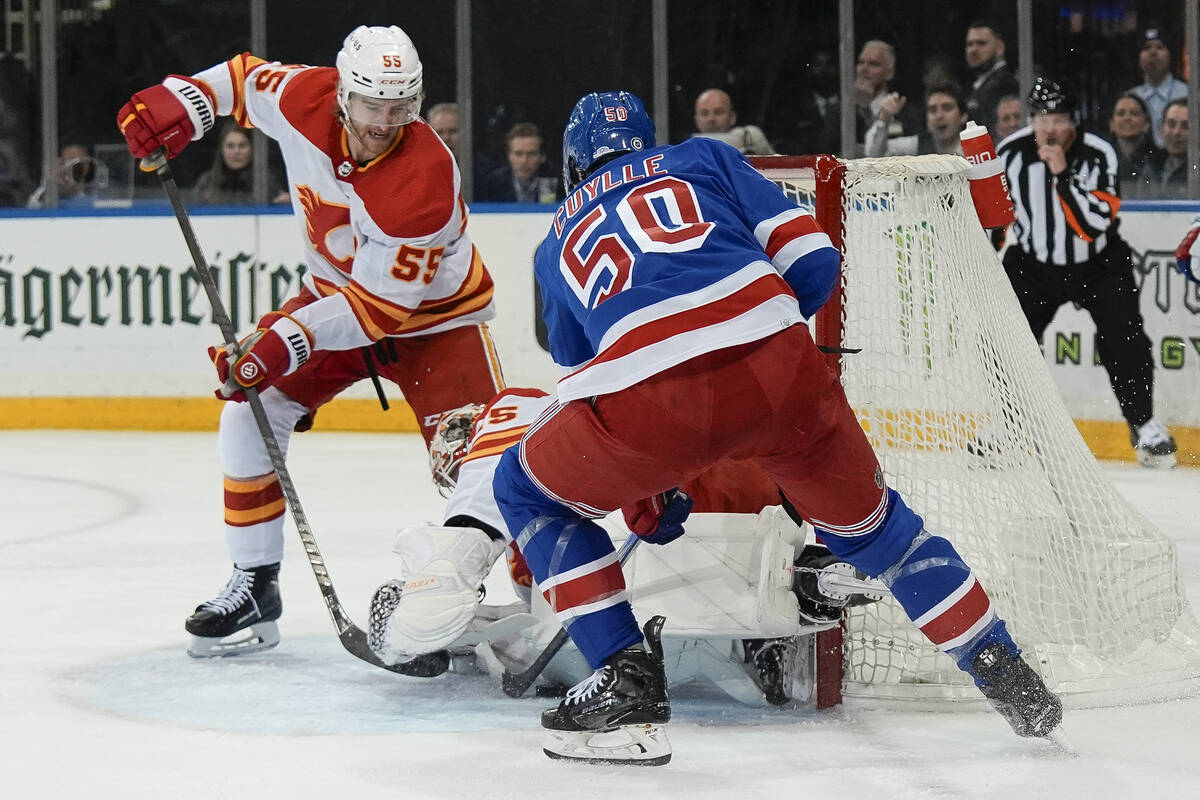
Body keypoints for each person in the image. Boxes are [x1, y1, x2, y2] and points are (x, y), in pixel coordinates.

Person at [490, 90, 1063, 765]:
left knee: (524, 491)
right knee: (886, 537)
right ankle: (1002, 666)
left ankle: (623, 677)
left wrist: (648, 482)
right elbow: (817, 264)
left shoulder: (556, 232)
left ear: (570, 160)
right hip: (782, 371)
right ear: (649, 139)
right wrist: (766, 357)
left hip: (654, 405)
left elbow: (589, 380)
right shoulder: (703, 156)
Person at [116, 25, 506, 658]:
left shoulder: (425, 179)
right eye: (373, 104)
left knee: (478, 461)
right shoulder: (304, 96)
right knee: (251, 403)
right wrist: (182, 100)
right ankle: (254, 584)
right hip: (333, 300)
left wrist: (281, 342)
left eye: (402, 106)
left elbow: (378, 312)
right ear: (343, 92)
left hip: (437, 324)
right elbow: (241, 79)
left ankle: (511, 594)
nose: (385, 121)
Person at [366, 388, 880, 707]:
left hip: (615, 630)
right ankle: (801, 588)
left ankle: (438, 613)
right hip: (748, 579)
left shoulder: (522, 413)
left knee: (502, 626)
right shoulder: (589, 415)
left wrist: (426, 603)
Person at [996, 77, 1177, 468]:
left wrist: (1061, 176)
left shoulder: (1098, 153)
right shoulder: (1009, 152)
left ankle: (1143, 425)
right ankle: (1007, 426)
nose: (1049, 129)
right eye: (1041, 119)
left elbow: (1092, 224)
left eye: (1058, 119)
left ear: (1073, 120)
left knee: (1125, 338)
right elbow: (994, 217)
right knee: (1008, 341)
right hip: (1033, 263)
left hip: (1098, 262)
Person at [192, 120, 289, 205]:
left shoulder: (266, 182)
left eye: (242, 145)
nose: (236, 151)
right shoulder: (207, 182)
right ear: (221, 149)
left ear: (252, 149)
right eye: (230, 146)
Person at [854, 40, 922, 156]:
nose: (864, 69)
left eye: (873, 64)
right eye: (861, 63)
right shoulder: (843, 110)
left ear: (890, 72)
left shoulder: (906, 112)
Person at [863, 83, 967, 157]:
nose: (939, 116)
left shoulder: (975, 149)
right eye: (932, 110)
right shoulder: (916, 145)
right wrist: (883, 120)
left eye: (947, 108)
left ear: (963, 116)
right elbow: (874, 154)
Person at [1128, 27, 1188, 148]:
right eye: (1146, 48)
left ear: (1170, 54)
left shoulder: (1188, 94)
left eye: (1160, 47)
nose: (1153, 52)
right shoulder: (1130, 98)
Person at [477, 122, 560, 203]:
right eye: (518, 154)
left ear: (543, 156)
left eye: (531, 154)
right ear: (509, 155)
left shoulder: (557, 183)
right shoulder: (493, 184)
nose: (524, 160)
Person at [963, 20, 1019, 136]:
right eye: (970, 44)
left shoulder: (1004, 84)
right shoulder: (979, 84)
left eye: (981, 43)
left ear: (1000, 47)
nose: (973, 49)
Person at [690, 88, 775, 155]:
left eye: (718, 112)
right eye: (704, 113)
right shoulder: (685, 149)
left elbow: (777, 169)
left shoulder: (750, 136)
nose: (711, 119)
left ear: (732, 117)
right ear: (696, 119)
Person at [1104, 91, 1157, 198]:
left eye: (1134, 113)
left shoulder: (1159, 160)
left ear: (1146, 123)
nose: (1127, 118)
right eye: (1121, 113)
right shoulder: (1102, 160)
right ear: (1111, 124)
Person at [26, 140, 100, 208]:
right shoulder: (47, 199)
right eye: (66, 162)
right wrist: (49, 184)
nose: (71, 169)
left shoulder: (99, 198)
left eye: (78, 164)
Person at [1146, 98, 1189, 199]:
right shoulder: (1151, 166)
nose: (1176, 132)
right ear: (1161, 128)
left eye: (1185, 126)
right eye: (1171, 124)